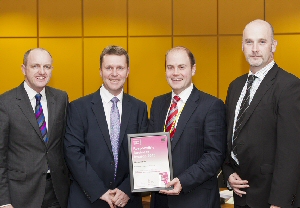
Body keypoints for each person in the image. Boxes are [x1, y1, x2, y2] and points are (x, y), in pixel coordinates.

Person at [222, 19, 300, 208]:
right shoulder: (235, 86)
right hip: (241, 195)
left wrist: (279, 202)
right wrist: (228, 172)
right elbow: (230, 136)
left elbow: (291, 151)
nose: (255, 48)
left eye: (262, 42)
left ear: (273, 45)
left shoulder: (289, 86)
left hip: (270, 198)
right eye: (249, 42)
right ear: (242, 46)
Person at [64, 45, 148, 208]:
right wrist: (100, 191)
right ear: (100, 71)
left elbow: (144, 157)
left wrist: (126, 189)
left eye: (120, 68)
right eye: (109, 68)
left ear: (128, 71)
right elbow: (72, 153)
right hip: (88, 199)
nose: (114, 73)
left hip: (127, 200)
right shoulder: (78, 107)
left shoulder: (140, 108)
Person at [149, 46, 227, 208]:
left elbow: (215, 155)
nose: (175, 72)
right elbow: (152, 147)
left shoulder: (212, 105)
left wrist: (183, 181)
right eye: (170, 67)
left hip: (196, 199)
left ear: (193, 69)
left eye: (181, 67)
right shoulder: (157, 104)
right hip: (161, 200)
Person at [0, 48, 70, 208]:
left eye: (47, 66)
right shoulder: (5, 103)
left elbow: (64, 145)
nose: (42, 71)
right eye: (35, 66)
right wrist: (3, 200)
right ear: (23, 69)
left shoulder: (61, 99)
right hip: (21, 194)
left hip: (57, 192)